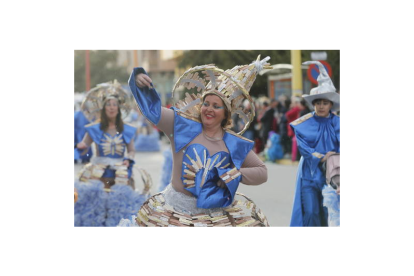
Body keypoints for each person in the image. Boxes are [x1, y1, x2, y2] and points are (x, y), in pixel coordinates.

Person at [123, 56, 272, 227]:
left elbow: (262, 172)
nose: (209, 109)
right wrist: (138, 81)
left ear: (226, 114)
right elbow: (153, 110)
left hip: (215, 216)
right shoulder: (181, 125)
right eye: (206, 103)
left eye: (216, 106)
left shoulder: (233, 143)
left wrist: (233, 175)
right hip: (173, 212)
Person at [74, 81, 150, 226]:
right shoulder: (94, 128)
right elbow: (84, 147)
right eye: (108, 104)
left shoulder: (127, 129)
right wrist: (80, 146)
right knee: (98, 206)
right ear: (103, 108)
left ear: (119, 108)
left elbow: (132, 150)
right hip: (99, 173)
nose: (111, 107)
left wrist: (129, 159)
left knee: (120, 205)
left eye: (114, 104)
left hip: (121, 172)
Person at [290, 61, 340, 227]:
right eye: (318, 103)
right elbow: (303, 147)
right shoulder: (303, 123)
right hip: (310, 173)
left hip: (333, 174)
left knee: (330, 212)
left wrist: (335, 158)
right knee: (311, 212)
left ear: (331, 104)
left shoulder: (339, 122)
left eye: (325, 103)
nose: (321, 106)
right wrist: (321, 157)